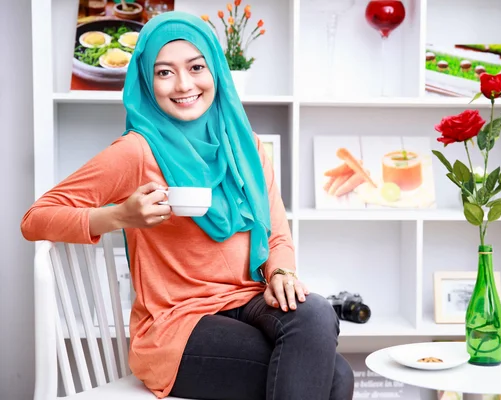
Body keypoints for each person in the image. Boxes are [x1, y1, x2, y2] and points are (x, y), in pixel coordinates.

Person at [21, 11, 354, 400]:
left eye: (196, 67)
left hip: (246, 302)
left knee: (313, 312)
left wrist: (281, 271)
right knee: (335, 377)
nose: (183, 85)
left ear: (215, 70)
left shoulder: (247, 148)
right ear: (147, 79)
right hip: (175, 325)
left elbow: (276, 232)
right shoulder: (137, 152)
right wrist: (119, 216)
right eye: (164, 72)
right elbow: (35, 219)